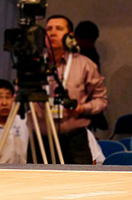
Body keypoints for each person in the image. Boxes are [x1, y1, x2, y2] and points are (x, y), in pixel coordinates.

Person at [36, 15, 108, 164]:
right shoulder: (33, 66)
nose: (53, 33)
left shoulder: (85, 65)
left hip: (74, 139)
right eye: (49, 29)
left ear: (70, 36)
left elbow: (101, 100)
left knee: (80, 185)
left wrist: (83, 108)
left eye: (59, 29)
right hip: (39, 139)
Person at [74, 20, 109, 132]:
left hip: (86, 107)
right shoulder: (68, 56)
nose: (92, 44)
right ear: (77, 38)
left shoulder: (91, 55)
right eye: (89, 41)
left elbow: (98, 94)